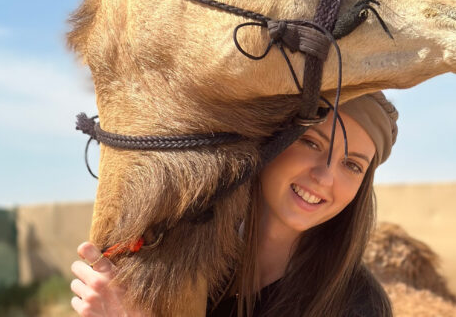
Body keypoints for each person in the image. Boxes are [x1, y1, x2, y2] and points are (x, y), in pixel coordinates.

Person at [70, 92, 398, 317]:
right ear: (271, 143)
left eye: (352, 165)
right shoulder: (189, 263)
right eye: (311, 143)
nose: (325, 177)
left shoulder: (358, 305)